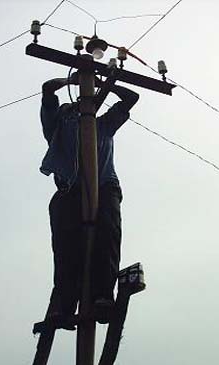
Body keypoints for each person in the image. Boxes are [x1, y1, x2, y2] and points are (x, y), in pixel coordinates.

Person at [40, 73, 139, 322]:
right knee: (67, 247)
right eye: (71, 110)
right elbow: (48, 89)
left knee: (107, 236)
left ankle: (102, 296)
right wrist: (71, 81)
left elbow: (131, 97)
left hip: (105, 186)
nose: (78, 112)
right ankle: (64, 304)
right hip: (68, 189)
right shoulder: (56, 127)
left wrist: (105, 82)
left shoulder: (103, 124)